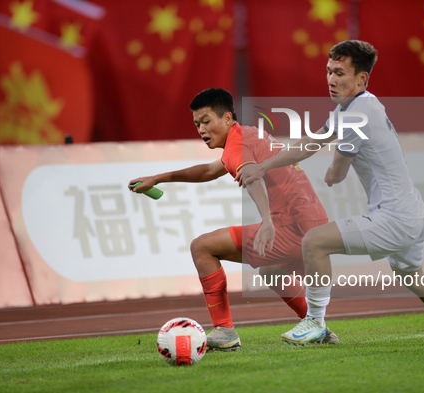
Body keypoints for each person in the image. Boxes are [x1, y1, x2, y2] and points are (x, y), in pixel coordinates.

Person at [237, 40, 424, 347]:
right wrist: (263, 167)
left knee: (314, 241)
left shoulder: (358, 113)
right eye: (328, 71)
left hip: (394, 216)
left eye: (339, 72)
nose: (330, 79)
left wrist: (331, 173)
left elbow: (338, 172)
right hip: (412, 213)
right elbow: (311, 142)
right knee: (412, 276)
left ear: (361, 78)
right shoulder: (356, 106)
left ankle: (315, 321)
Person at [129, 87, 337, 351]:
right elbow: (209, 170)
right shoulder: (248, 135)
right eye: (196, 124)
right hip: (312, 226)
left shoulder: (237, 144)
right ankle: (316, 326)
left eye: (206, 121)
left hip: (292, 227)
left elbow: (251, 176)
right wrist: (159, 178)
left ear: (227, 118)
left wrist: (267, 221)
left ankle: (224, 330)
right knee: (271, 271)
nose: (201, 130)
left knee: (202, 247)